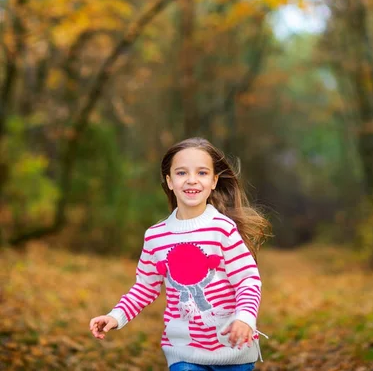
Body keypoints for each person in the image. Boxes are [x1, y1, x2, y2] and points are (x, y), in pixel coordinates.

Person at [89, 137, 272, 371]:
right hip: (184, 352)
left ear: (214, 181)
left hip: (233, 351)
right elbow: (145, 287)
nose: (192, 180)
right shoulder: (156, 236)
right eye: (182, 173)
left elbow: (247, 279)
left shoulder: (222, 229)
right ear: (169, 181)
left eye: (202, 173)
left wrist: (245, 317)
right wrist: (116, 316)